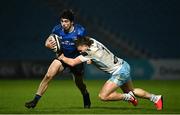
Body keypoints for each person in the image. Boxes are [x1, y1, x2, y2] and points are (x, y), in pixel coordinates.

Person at [58, 36, 163, 110]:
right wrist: (90, 58)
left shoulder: (89, 53)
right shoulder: (92, 41)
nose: (80, 52)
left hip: (120, 71)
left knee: (103, 96)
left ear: (85, 45)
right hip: (123, 65)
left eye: (81, 50)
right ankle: (156, 98)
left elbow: (72, 63)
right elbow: (86, 45)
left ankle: (128, 97)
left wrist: (61, 56)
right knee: (132, 91)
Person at [25, 9, 91, 109]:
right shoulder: (57, 29)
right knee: (48, 75)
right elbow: (49, 39)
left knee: (79, 83)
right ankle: (34, 101)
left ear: (72, 22)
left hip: (76, 59)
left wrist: (89, 58)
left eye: (66, 21)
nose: (63, 24)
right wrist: (47, 43)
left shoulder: (80, 31)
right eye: (62, 21)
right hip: (62, 57)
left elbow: (86, 45)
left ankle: (85, 94)